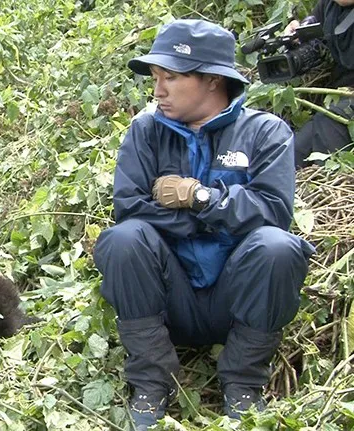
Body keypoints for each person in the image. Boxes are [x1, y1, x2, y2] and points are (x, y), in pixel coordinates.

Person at [93, 19, 316, 429]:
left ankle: (244, 382)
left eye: (171, 77)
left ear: (213, 80)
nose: (158, 90)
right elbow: (129, 208)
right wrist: (210, 223)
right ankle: (151, 381)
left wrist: (200, 197)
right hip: (168, 295)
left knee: (278, 247)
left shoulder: (265, 132)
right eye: (156, 78)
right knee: (122, 240)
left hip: (236, 298)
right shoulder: (145, 133)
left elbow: (273, 212)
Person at [285, 0, 354, 168]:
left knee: (329, 124)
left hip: (342, 108)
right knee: (293, 152)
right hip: (341, 95)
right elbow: (312, 39)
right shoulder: (329, 6)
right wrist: (294, 37)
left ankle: (331, 182)